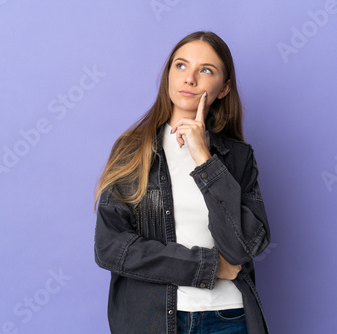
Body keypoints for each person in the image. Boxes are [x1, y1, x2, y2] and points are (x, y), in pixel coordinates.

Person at [94, 31, 271, 334]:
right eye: (180, 65)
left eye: (206, 70)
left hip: (229, 319)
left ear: (224, 88)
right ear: (168, 76)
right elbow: (111, 248)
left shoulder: (238, 157)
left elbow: (243, 248)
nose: (190, 78)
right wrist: (208, 266)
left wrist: (204, 160)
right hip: (152, 321)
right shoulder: (131, 150)